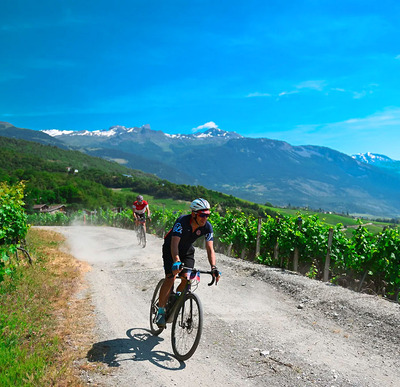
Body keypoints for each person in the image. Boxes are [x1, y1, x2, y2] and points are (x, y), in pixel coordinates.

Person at [156, 198, 220, 327]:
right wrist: (176, 261)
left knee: (187, 279)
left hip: (187, 251)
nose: (205, 218)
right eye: (202, 215)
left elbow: (210, 248)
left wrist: (213, 267)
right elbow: (174, 244)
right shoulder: (182, 222)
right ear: (194, 214)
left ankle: (175, 299)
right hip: (171, 249)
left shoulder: (207, 227)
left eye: (207, 215)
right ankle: (161, 310)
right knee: (171, 277)